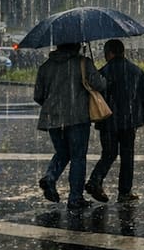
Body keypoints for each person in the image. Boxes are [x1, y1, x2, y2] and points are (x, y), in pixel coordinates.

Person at [34, 43, 107, 210]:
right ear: (76, 46)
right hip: (77, 117)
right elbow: (100, 85)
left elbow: (38, 95)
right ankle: (75, 198)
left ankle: (50, 177)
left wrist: (53, 105)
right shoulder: (83, 63)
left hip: (52, 118)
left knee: (62, 152)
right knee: (78, 157)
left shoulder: (46, 66)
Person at [86, 39, 144, 204]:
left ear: (109, 53)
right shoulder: (136, 71)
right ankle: (124, 191)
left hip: (107, 120)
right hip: (129, 121)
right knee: (127, 155)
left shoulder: (102, 72)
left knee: (108, 153)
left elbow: (94, 95)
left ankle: (95, 180)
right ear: (123, 52)